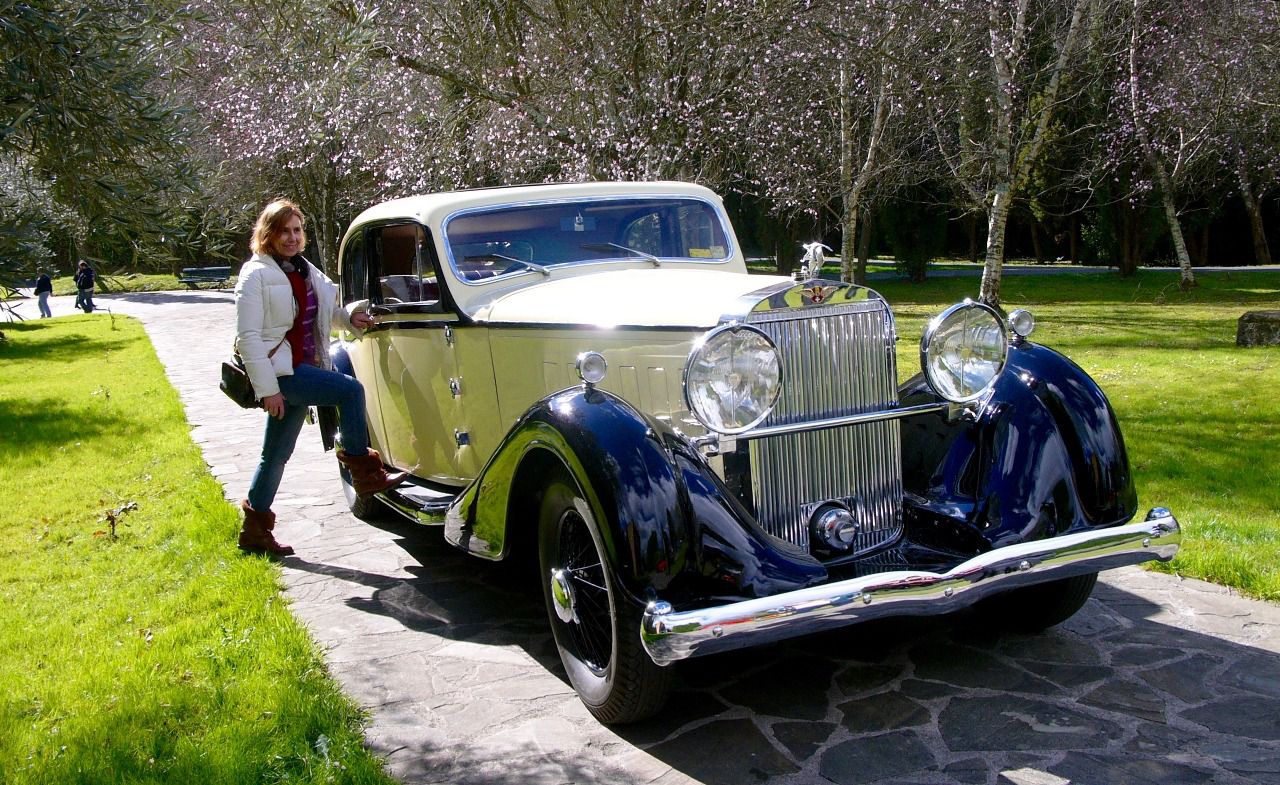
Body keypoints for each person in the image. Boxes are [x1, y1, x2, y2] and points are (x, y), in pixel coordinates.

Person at [234, 198, 405, 556]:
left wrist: (347, 319)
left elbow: (316, 314)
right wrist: (269, 391)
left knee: (275, 455)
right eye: (284, 231)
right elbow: (248, 338)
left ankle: (254, 532)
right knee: (351, 391)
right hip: (282, 374)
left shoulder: (301, 268)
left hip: (302, 368)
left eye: (297, 230)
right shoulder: (255, 275)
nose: (292, 237)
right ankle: (365, 473)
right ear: (268, 234)